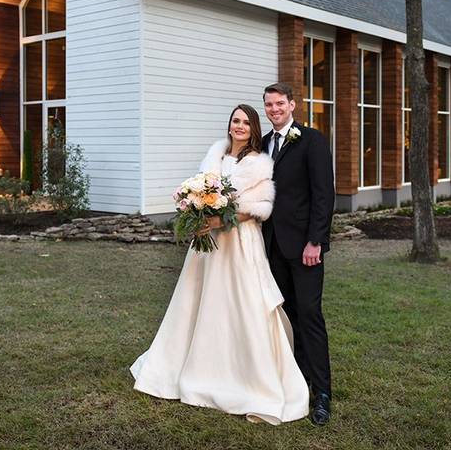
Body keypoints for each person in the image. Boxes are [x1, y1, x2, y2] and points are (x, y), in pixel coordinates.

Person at [130, 104, 309, 425]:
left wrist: (217, 219)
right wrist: (197, 214)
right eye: (235, 121)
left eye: (245, 123)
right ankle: (188, 366)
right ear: (229, 125)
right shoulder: (214, 156)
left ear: (254, 129)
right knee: (199, 302)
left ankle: (250, 378)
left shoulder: (259, 163)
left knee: (242, 303)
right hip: (209, 247)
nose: (239, 126)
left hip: (240, 244)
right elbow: (202, 192)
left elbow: (260, 207)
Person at [260, 82, 334, 426]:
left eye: (279, 104)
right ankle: (295, 379)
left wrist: (315, 241)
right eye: (269, 105)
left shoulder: (312, 140)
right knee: (286, 316)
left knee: (309, 315)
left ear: (293, 105)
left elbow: (323, 195)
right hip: (272, 245)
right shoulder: (263, 145)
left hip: (305, 247)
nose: (274, 109)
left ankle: (322, 393)